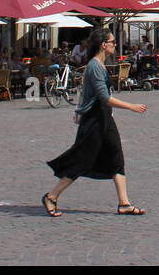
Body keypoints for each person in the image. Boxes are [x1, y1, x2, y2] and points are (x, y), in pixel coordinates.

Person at [44, 30, 148, 217]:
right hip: (95, 121)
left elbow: (87, 93)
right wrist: (132, 106)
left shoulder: (99, 65)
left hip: (104, 118)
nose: (115, 45)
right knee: (82, 160)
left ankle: (124, 203)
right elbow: (104, 97)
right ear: (103, 44)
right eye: (113, 42)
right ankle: (51, 196)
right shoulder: (95, 66)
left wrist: (82, 110)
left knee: (117, 157)